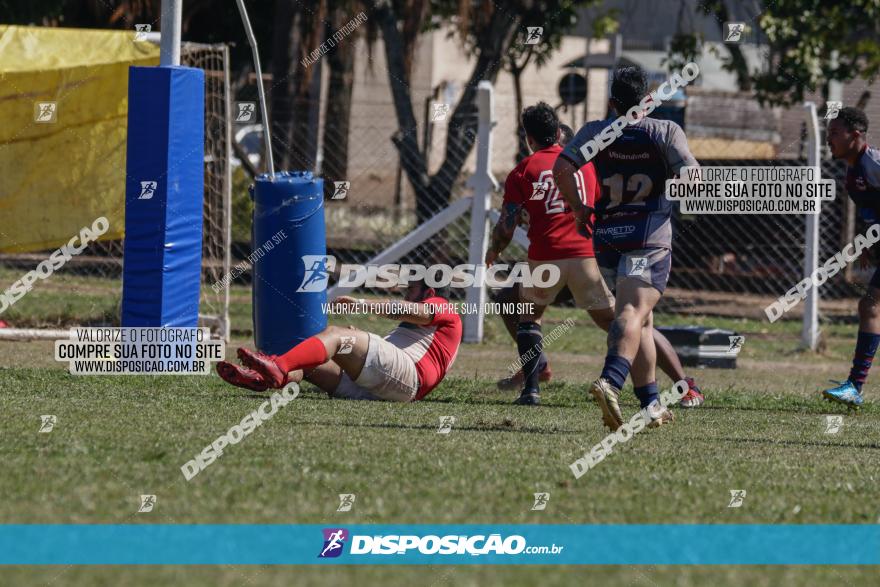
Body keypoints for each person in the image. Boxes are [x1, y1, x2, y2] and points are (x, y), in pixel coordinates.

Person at [485, 102, 702, 409]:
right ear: (560, 133)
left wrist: (495, 250)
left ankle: (532, 388)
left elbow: (507, 224)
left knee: (521, 308)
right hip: (591, 259)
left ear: (528, 139)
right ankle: (681, 385)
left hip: (547, 260)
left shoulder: (523, 170)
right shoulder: (586, 163)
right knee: (632, 321)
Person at [553, 65, 699, 430]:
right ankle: (610, 381)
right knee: (633, 311)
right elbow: (692, 177)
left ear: (613, 101)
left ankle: (651, 404)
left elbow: (563, 168)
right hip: (646, 241)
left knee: (642, 321)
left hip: (608, 238)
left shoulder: (594, 132)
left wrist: (578, 207)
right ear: (647, 100)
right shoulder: (665, 131)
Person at [217, 280, 462, 402]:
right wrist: (354, 340)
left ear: (429, 294)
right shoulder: (425, 331)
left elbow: (405, 310)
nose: (407, 293)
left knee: (335, 335)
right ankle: (263, 378)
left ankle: (277, 368)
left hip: (408, 381)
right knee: (309, 361)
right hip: (383, 388)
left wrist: (363, 304)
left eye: (412, 289)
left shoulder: (442, 306)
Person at [822, 107, 880, 407]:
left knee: (870, 306)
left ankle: (855, 387)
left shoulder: (873, 163)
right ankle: (854, 388)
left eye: (834, 133)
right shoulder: (853, 168)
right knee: (870, 306)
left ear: (855, 135)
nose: (829, 139)